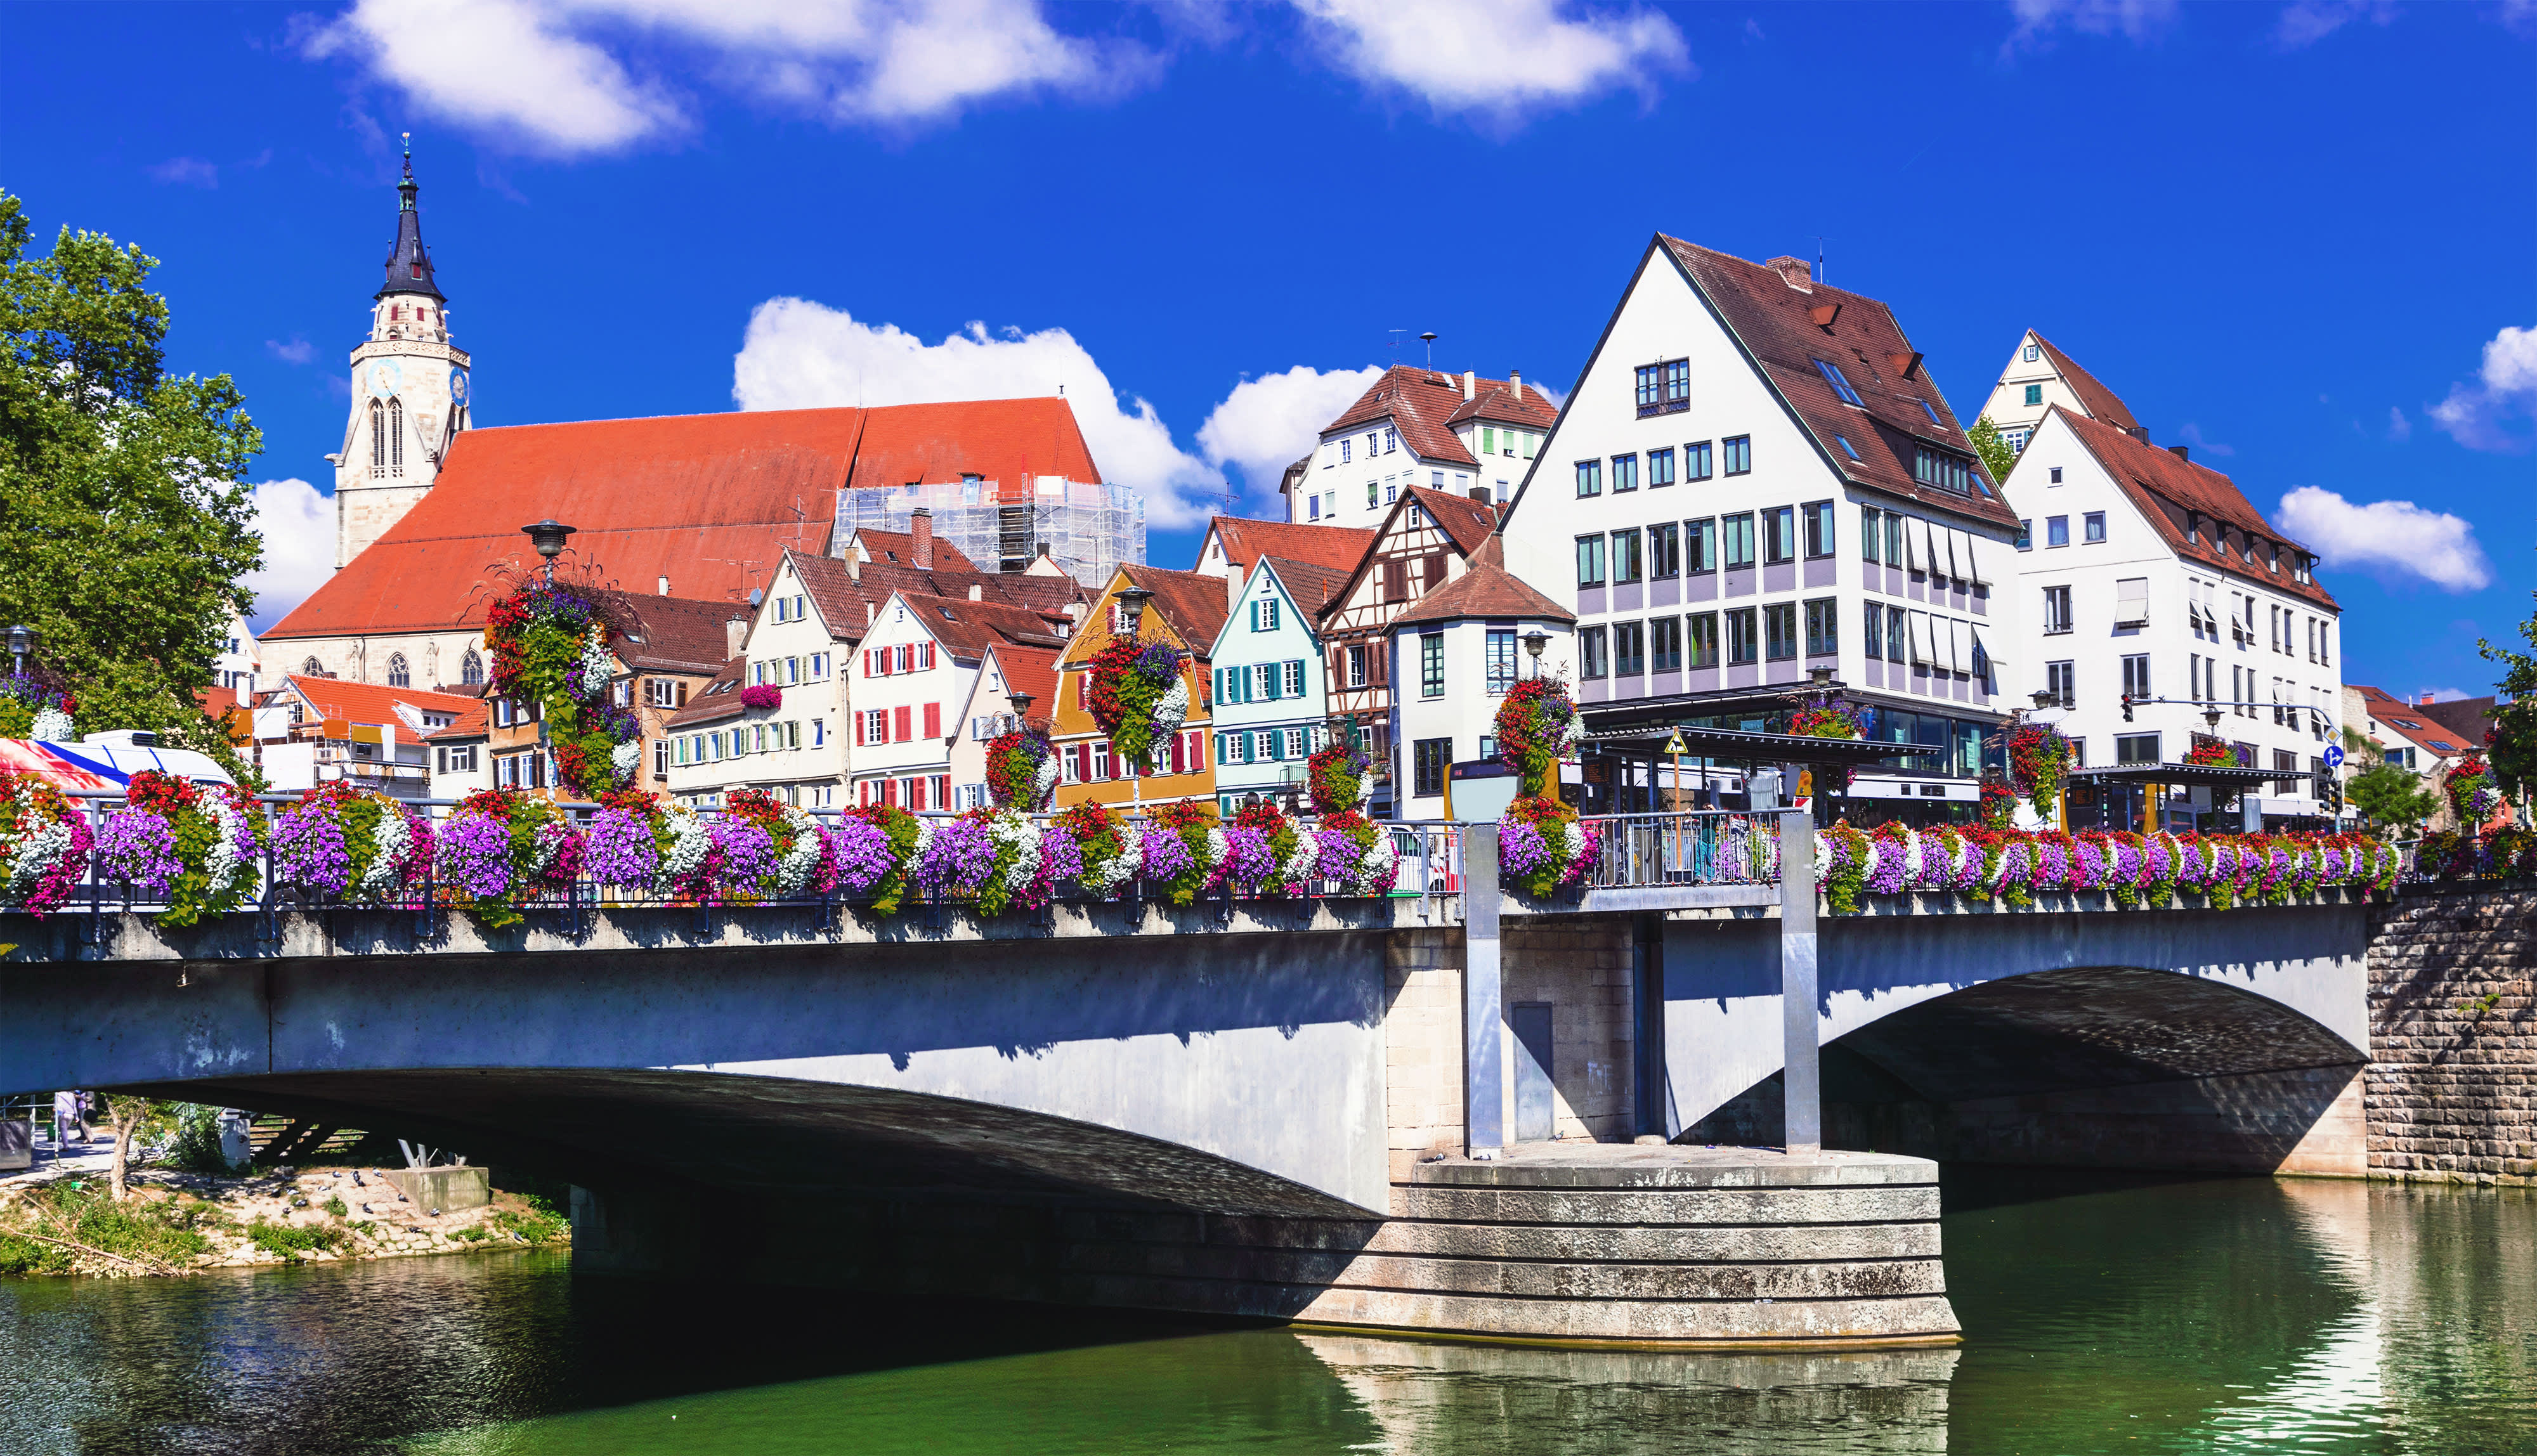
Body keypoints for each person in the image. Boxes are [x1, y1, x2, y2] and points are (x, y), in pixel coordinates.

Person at [53, 1090, 83, 1159]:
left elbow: (55, 1105)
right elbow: (74, 1106)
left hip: (61, 1113)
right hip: (70, 1114)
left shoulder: (58, 1094)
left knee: (63, 1130)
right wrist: (77, 1116)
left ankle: (65, 1146)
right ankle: (65, 1144)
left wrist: (54, 1114)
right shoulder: (71, 1095)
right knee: (65, 1130)